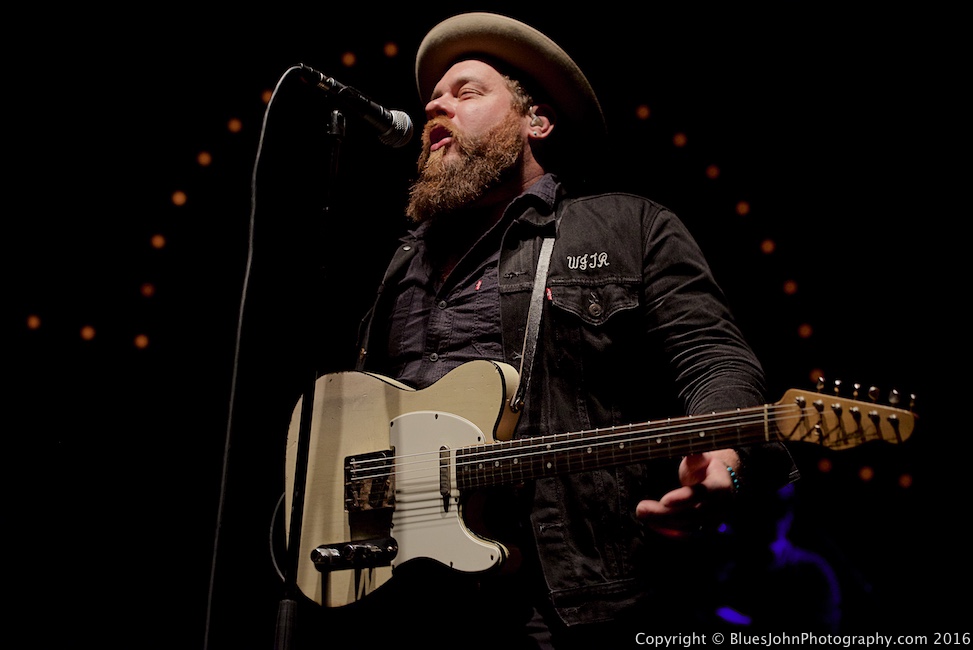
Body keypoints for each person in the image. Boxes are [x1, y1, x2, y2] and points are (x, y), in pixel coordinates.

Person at [299, 12, 799, 649]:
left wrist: (724, 457)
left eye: (467, 91)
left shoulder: (626, 229)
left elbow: (714, 358)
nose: (435, 106)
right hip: (399, 599)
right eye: (434, 97)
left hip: (564, 601)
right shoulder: (402, 262)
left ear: (536, 122)